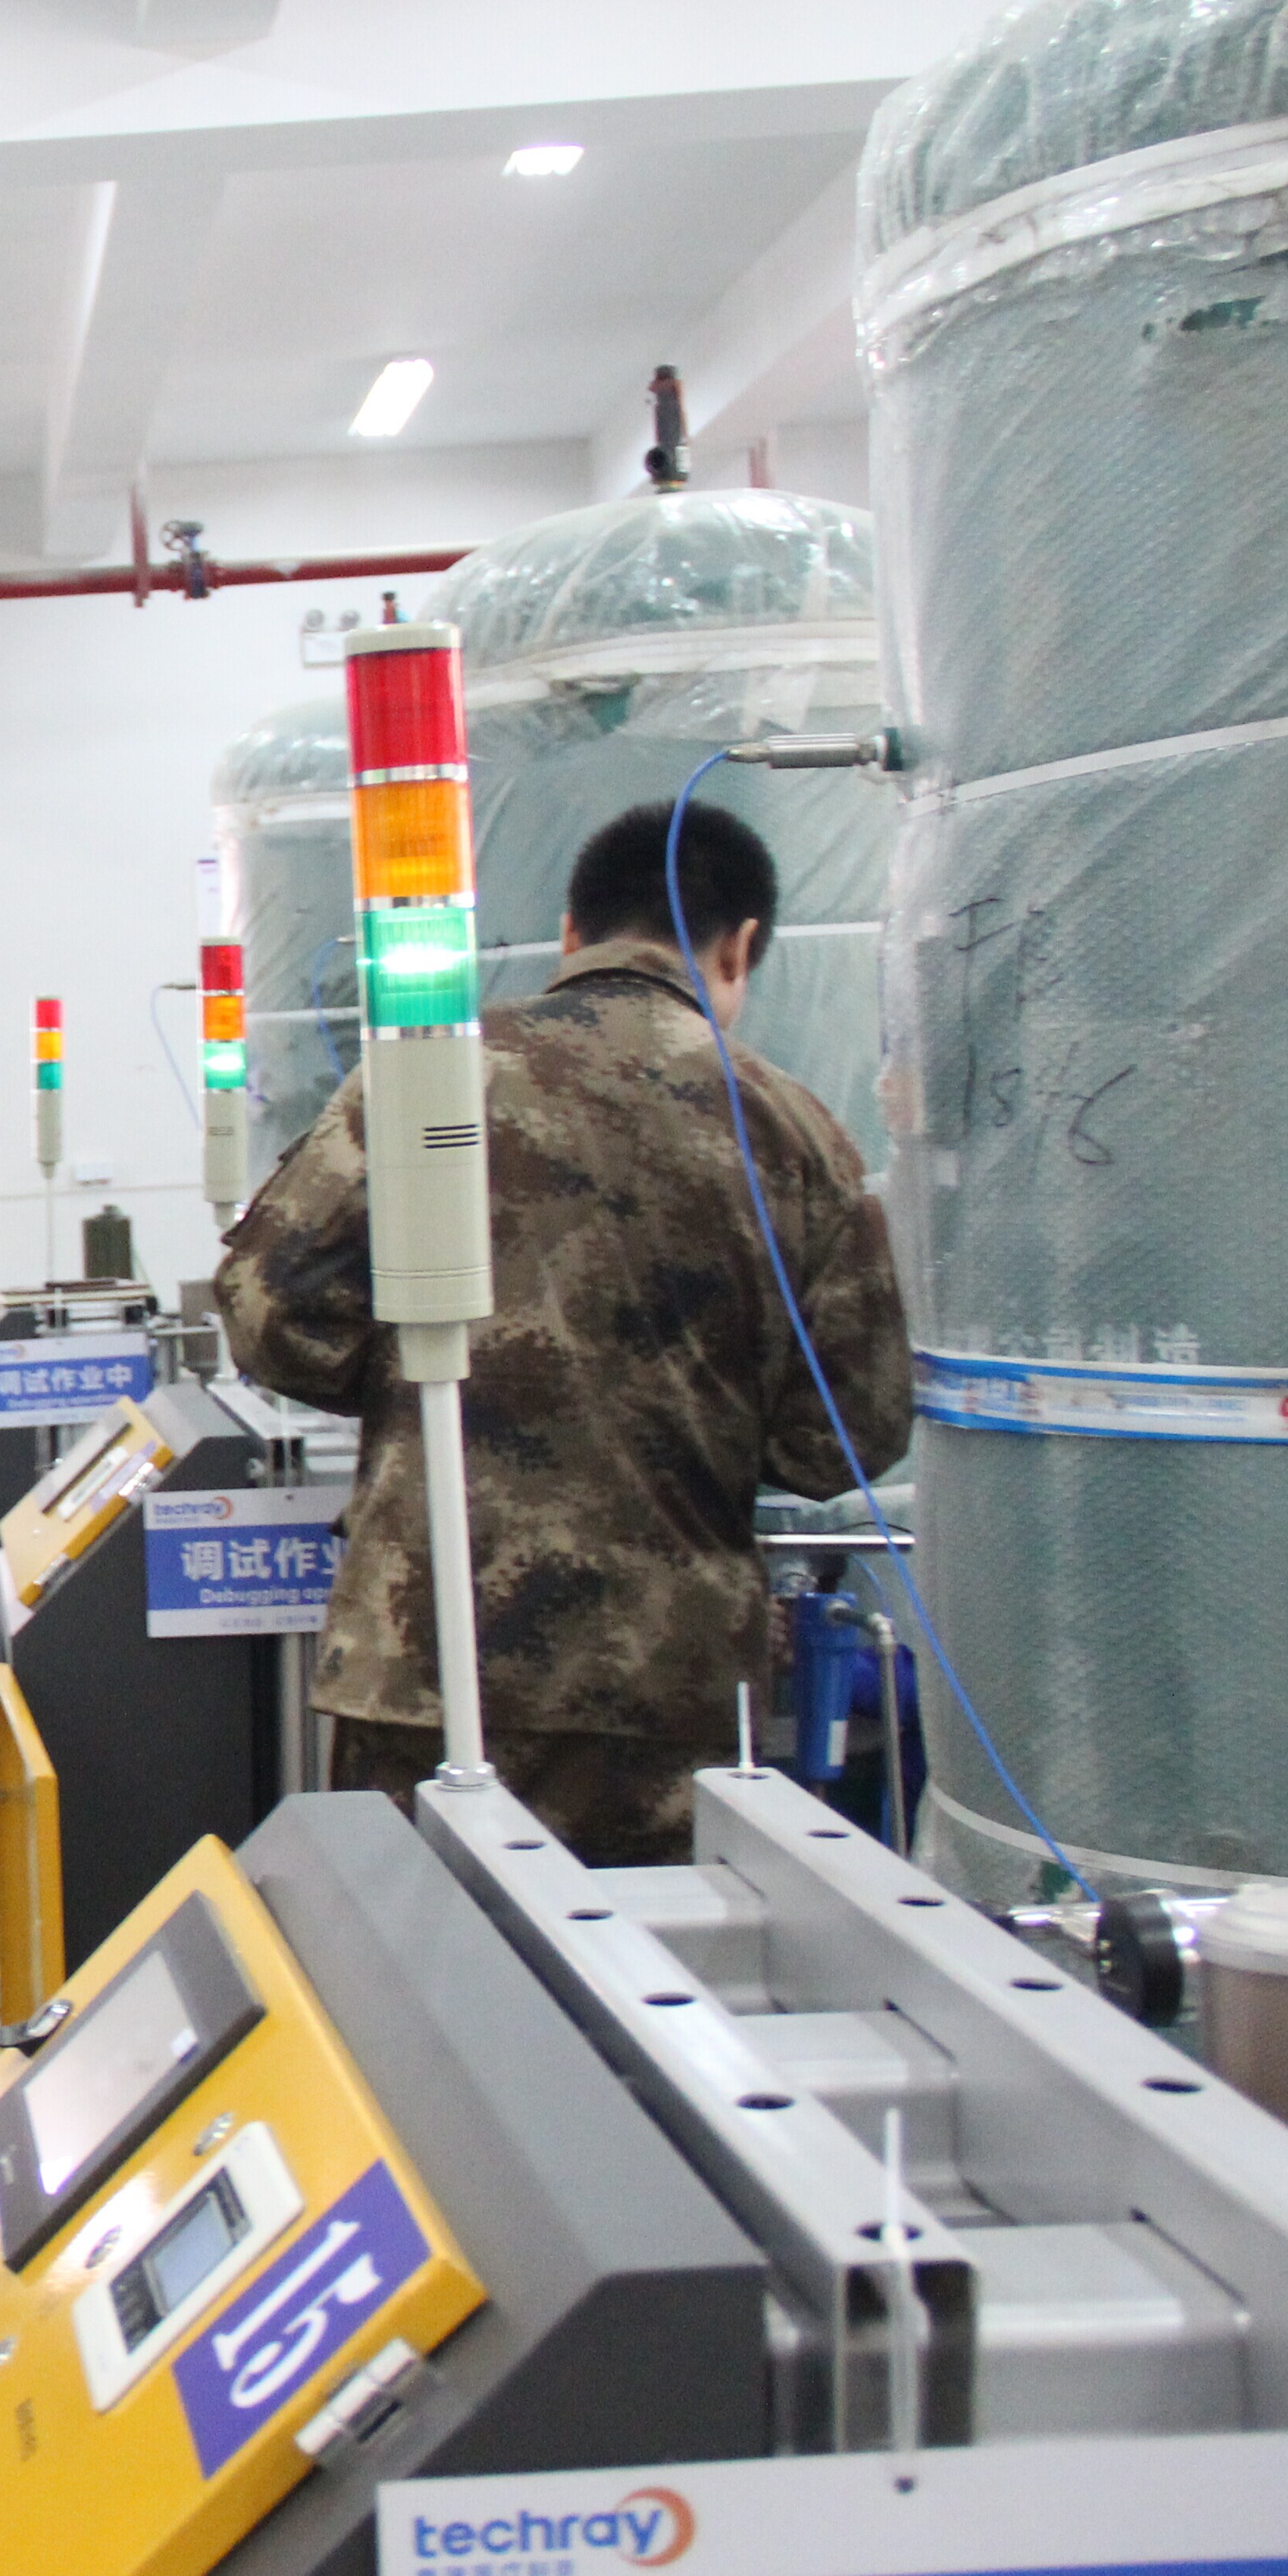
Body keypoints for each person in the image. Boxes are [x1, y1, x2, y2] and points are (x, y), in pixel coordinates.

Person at [217, 799, 911, 1866]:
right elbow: (846, 1437)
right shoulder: (795, 1133)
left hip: (425, 1657)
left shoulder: (423, 1083)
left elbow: (270, 1314)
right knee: (637, 1959)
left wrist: (414, 1374)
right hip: (665, 1677)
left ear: (570, 934)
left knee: (413, 1952)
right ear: (740, 948)